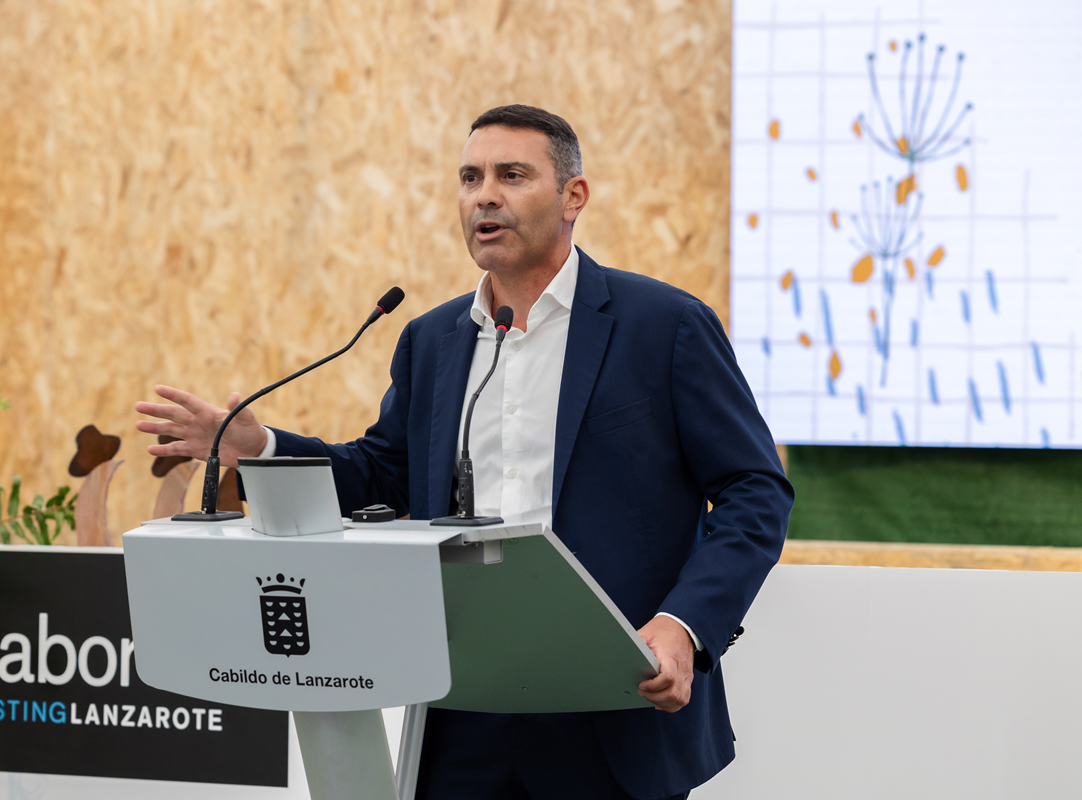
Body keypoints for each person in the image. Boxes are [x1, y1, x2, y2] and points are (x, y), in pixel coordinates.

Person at [135, 104, 793, 800]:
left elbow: (756, 490)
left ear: (575, 196)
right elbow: (382, 476)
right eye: (469, 177)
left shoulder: (665, 326)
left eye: (512, 174)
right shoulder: (432, 339)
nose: (485, 194)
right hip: (460, 704)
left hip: (616, 701)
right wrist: (260, 446)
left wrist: (683, 626)